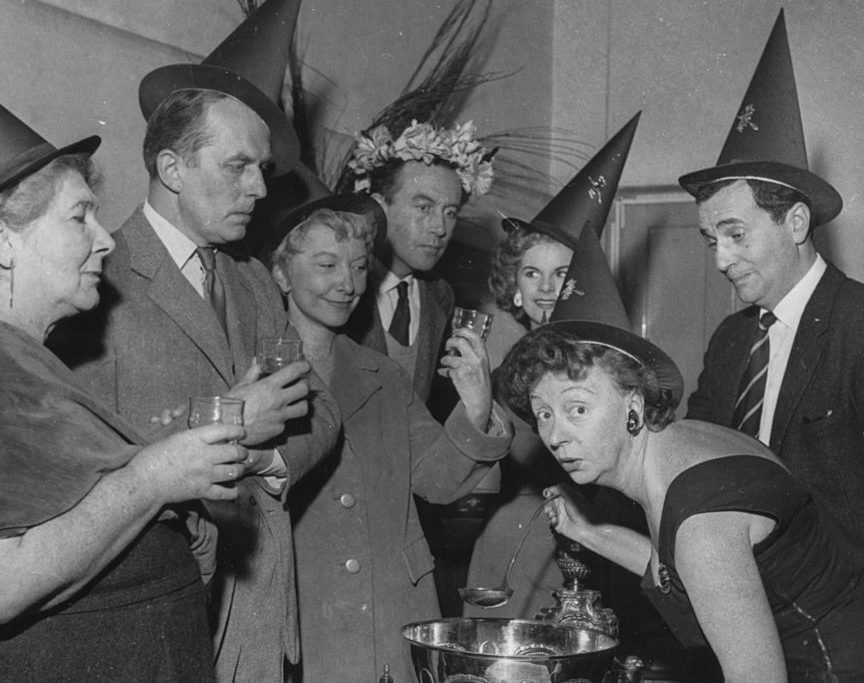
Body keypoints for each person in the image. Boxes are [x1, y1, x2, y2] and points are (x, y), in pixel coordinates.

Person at [0, 2, 243, 679]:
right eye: (80, 216)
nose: (106, 237)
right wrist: (152, 477)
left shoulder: (12, 358)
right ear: (2, 240)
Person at [48, 1, 340, 680]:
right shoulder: (98, 280)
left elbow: (320, 413)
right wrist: (230, 422)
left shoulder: (254, 282)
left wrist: (267, 457)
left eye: (262, 170)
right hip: (153, 607)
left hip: (259, 601)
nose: (259, 188)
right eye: (239, 166)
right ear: (172, 167)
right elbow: (76, 464)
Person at [499, 219, 864, 682]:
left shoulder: (698, 519)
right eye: (543, 414)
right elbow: (679, 569)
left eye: (577, 409)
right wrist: (589, 532)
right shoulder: (679, 446)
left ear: (632, 405)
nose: (555, 435)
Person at [263, 202, 511, 683]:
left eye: (358, 267)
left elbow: (438, 481)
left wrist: (476, 406)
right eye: (326, 265)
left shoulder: (384, 374)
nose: (348, 284)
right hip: (303, 618)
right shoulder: (252, 374)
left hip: (390, 611)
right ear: (280, 273)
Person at [679, 11, 864, 563]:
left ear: (798, 224)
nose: (721, 259)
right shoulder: (731, 342)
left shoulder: (857, 324)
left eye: (735, 234)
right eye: (712, 239)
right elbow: (694, 460)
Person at [466, 114, 641, 619]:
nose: (546, 288)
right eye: (532, 273)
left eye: (562, 273)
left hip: (604, 540)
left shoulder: (620, 367)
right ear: (515, 288)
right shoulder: (499, 379)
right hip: (518, 545)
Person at [344, 119, 494, 405]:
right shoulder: (343, 286)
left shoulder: (440, 296)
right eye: (423, 207)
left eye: (450, 212)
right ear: (378, 207)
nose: (439, 227)